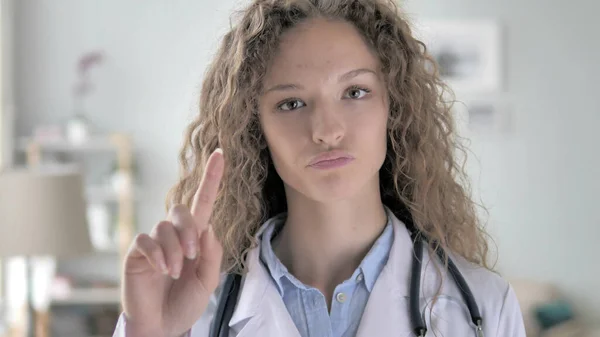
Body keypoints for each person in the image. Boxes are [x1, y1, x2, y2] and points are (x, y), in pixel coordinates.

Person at [113, 0, 526, 336]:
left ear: (393, 109)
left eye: (355, 92)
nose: (327, 130)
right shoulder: (192, 312)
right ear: (255, 127)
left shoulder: (482, 306)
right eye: (291, 103)